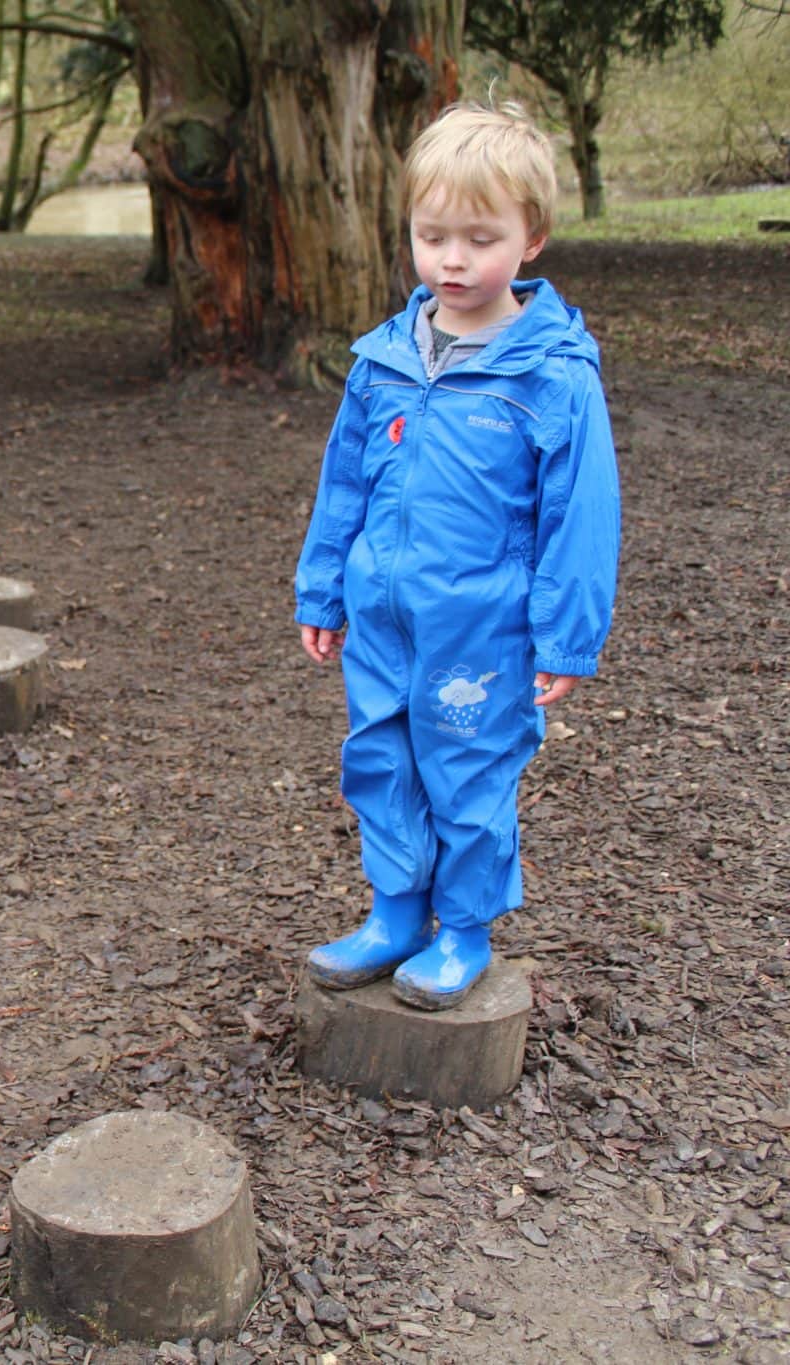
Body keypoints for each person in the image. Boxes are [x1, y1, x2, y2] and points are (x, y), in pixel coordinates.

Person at [292, 101, 621, 1011]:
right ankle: (396, 911)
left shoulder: (551, 373)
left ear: (534, 238)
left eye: (480, 238)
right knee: (381, 759)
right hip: (385, 618)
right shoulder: (384, 359)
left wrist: (564, 637)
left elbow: (582, 517)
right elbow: (344, 486)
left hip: (483, 626)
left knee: (466, 771)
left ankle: (464, 930)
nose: (453, 260)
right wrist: (324, 590)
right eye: (432, 235)